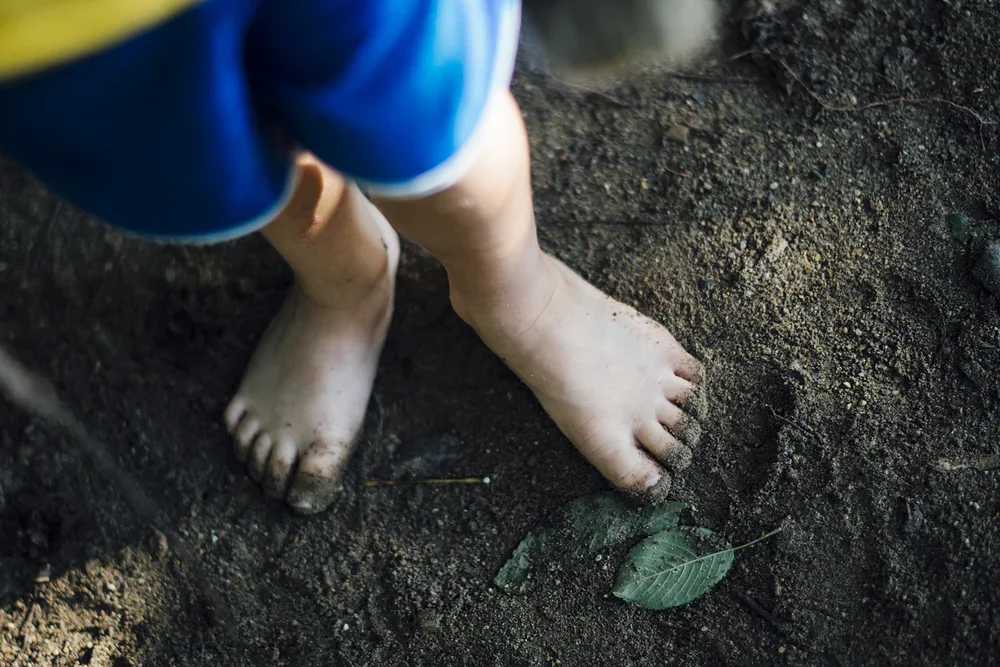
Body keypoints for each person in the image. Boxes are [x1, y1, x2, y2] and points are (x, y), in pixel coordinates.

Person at [0, 0, 706, 514]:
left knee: (432, 121)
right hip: (54, 29)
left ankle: (520, 294)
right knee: (212, 165)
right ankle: (346, 280)